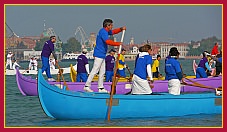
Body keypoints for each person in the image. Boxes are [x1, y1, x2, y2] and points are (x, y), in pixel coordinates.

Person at [84, 18, 126, 92]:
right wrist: (118, 44)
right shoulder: (103, 32)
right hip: (99, 54)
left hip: (103, 54)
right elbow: (108, 41)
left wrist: (120, 29)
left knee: (102, 71)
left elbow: (113, 32)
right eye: (111, 25)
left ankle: (100, 87)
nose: (112, 26)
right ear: (107, 25)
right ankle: (87, 85)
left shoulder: (106, 31)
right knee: (95, 70)